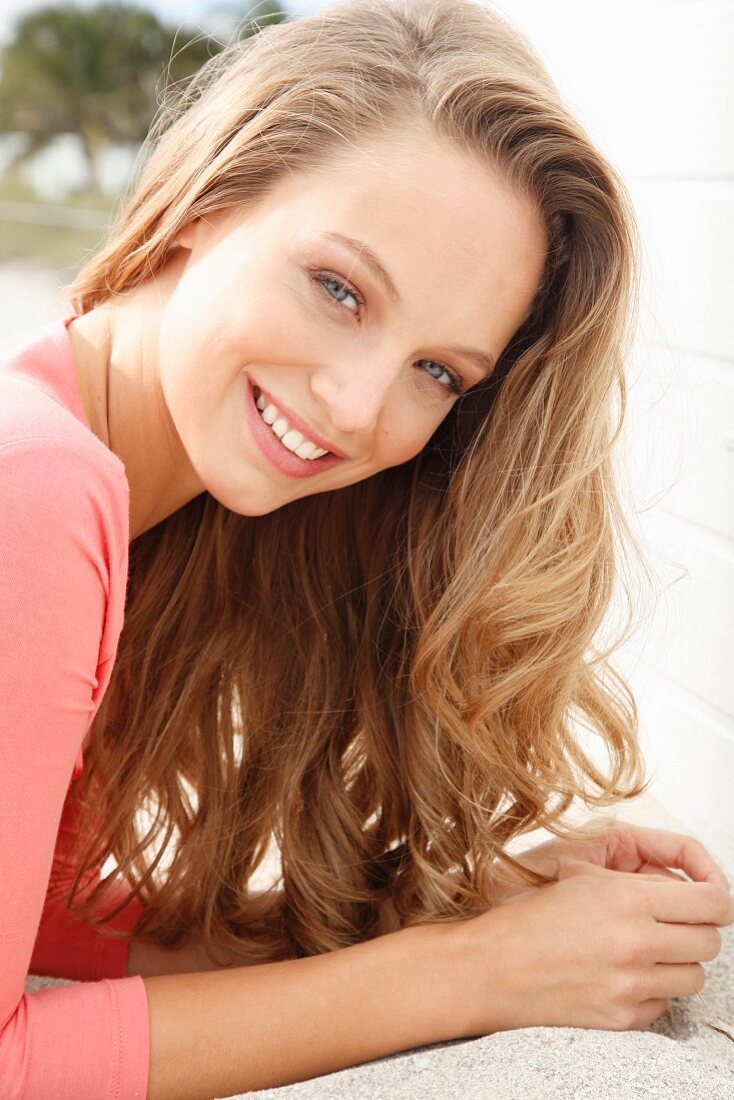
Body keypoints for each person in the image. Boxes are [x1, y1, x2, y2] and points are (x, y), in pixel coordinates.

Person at [2, 0, 732, 1097]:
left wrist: (438, 909)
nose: (355, 408)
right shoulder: (39, 490)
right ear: (210, 197)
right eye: (338, 288)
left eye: (437, 372)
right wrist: (472, 972)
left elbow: (48, 921)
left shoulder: (100, 466)